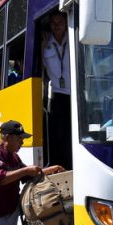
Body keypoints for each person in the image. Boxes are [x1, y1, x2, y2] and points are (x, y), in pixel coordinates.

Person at [41, 10, 72, 169]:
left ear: (66, 23)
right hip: (56, 95)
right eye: (53, 23)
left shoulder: (74, 36)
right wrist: (42, 48)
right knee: (58, 135)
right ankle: (61, 167)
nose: (56, 26)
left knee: (71, 135)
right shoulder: (45, 42)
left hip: (75, 94)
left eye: (60, 22)